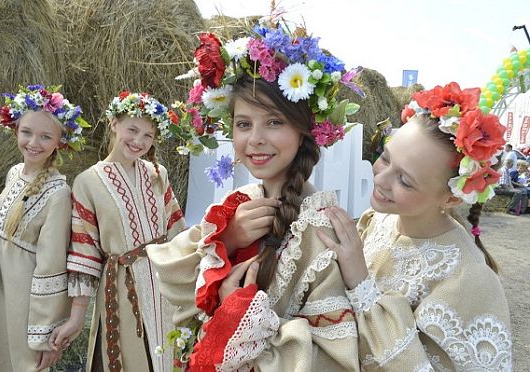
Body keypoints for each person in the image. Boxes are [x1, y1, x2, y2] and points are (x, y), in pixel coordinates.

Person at [147, 19, 363, 371]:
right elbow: (171, 278)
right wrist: (227, 240)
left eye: (274, 122)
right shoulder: (240, 203)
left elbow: (334, 355)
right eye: (244, 124)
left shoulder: (322, 229)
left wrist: (238, 315)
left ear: (305, 130)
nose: (256, 139)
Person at [319, 82, 513, 371]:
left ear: (450, 197)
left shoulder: (468, 281)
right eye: (385, 157)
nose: (381, 179)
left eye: (405, 181)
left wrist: (361, 283)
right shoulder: (378, 221)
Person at [49, 92, 186, 372]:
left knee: (171, 355)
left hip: (165, 288)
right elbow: (84, 253)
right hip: (123, 289)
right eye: (132, 130)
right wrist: (76, 318)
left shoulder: (158, 174)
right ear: (114, 123)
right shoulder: (87, 182)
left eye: (148, 136)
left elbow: (178, 234)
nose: (139, 141)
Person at [0, 84, 89, 371]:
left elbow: (51, 265)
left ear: (60, 142)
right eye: (27, 132)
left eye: (45, 136)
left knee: (20, 362)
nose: (34, 142)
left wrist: (44, 333)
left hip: (24, 302)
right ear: (15, 130)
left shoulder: (57, 193)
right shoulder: (14, 172)